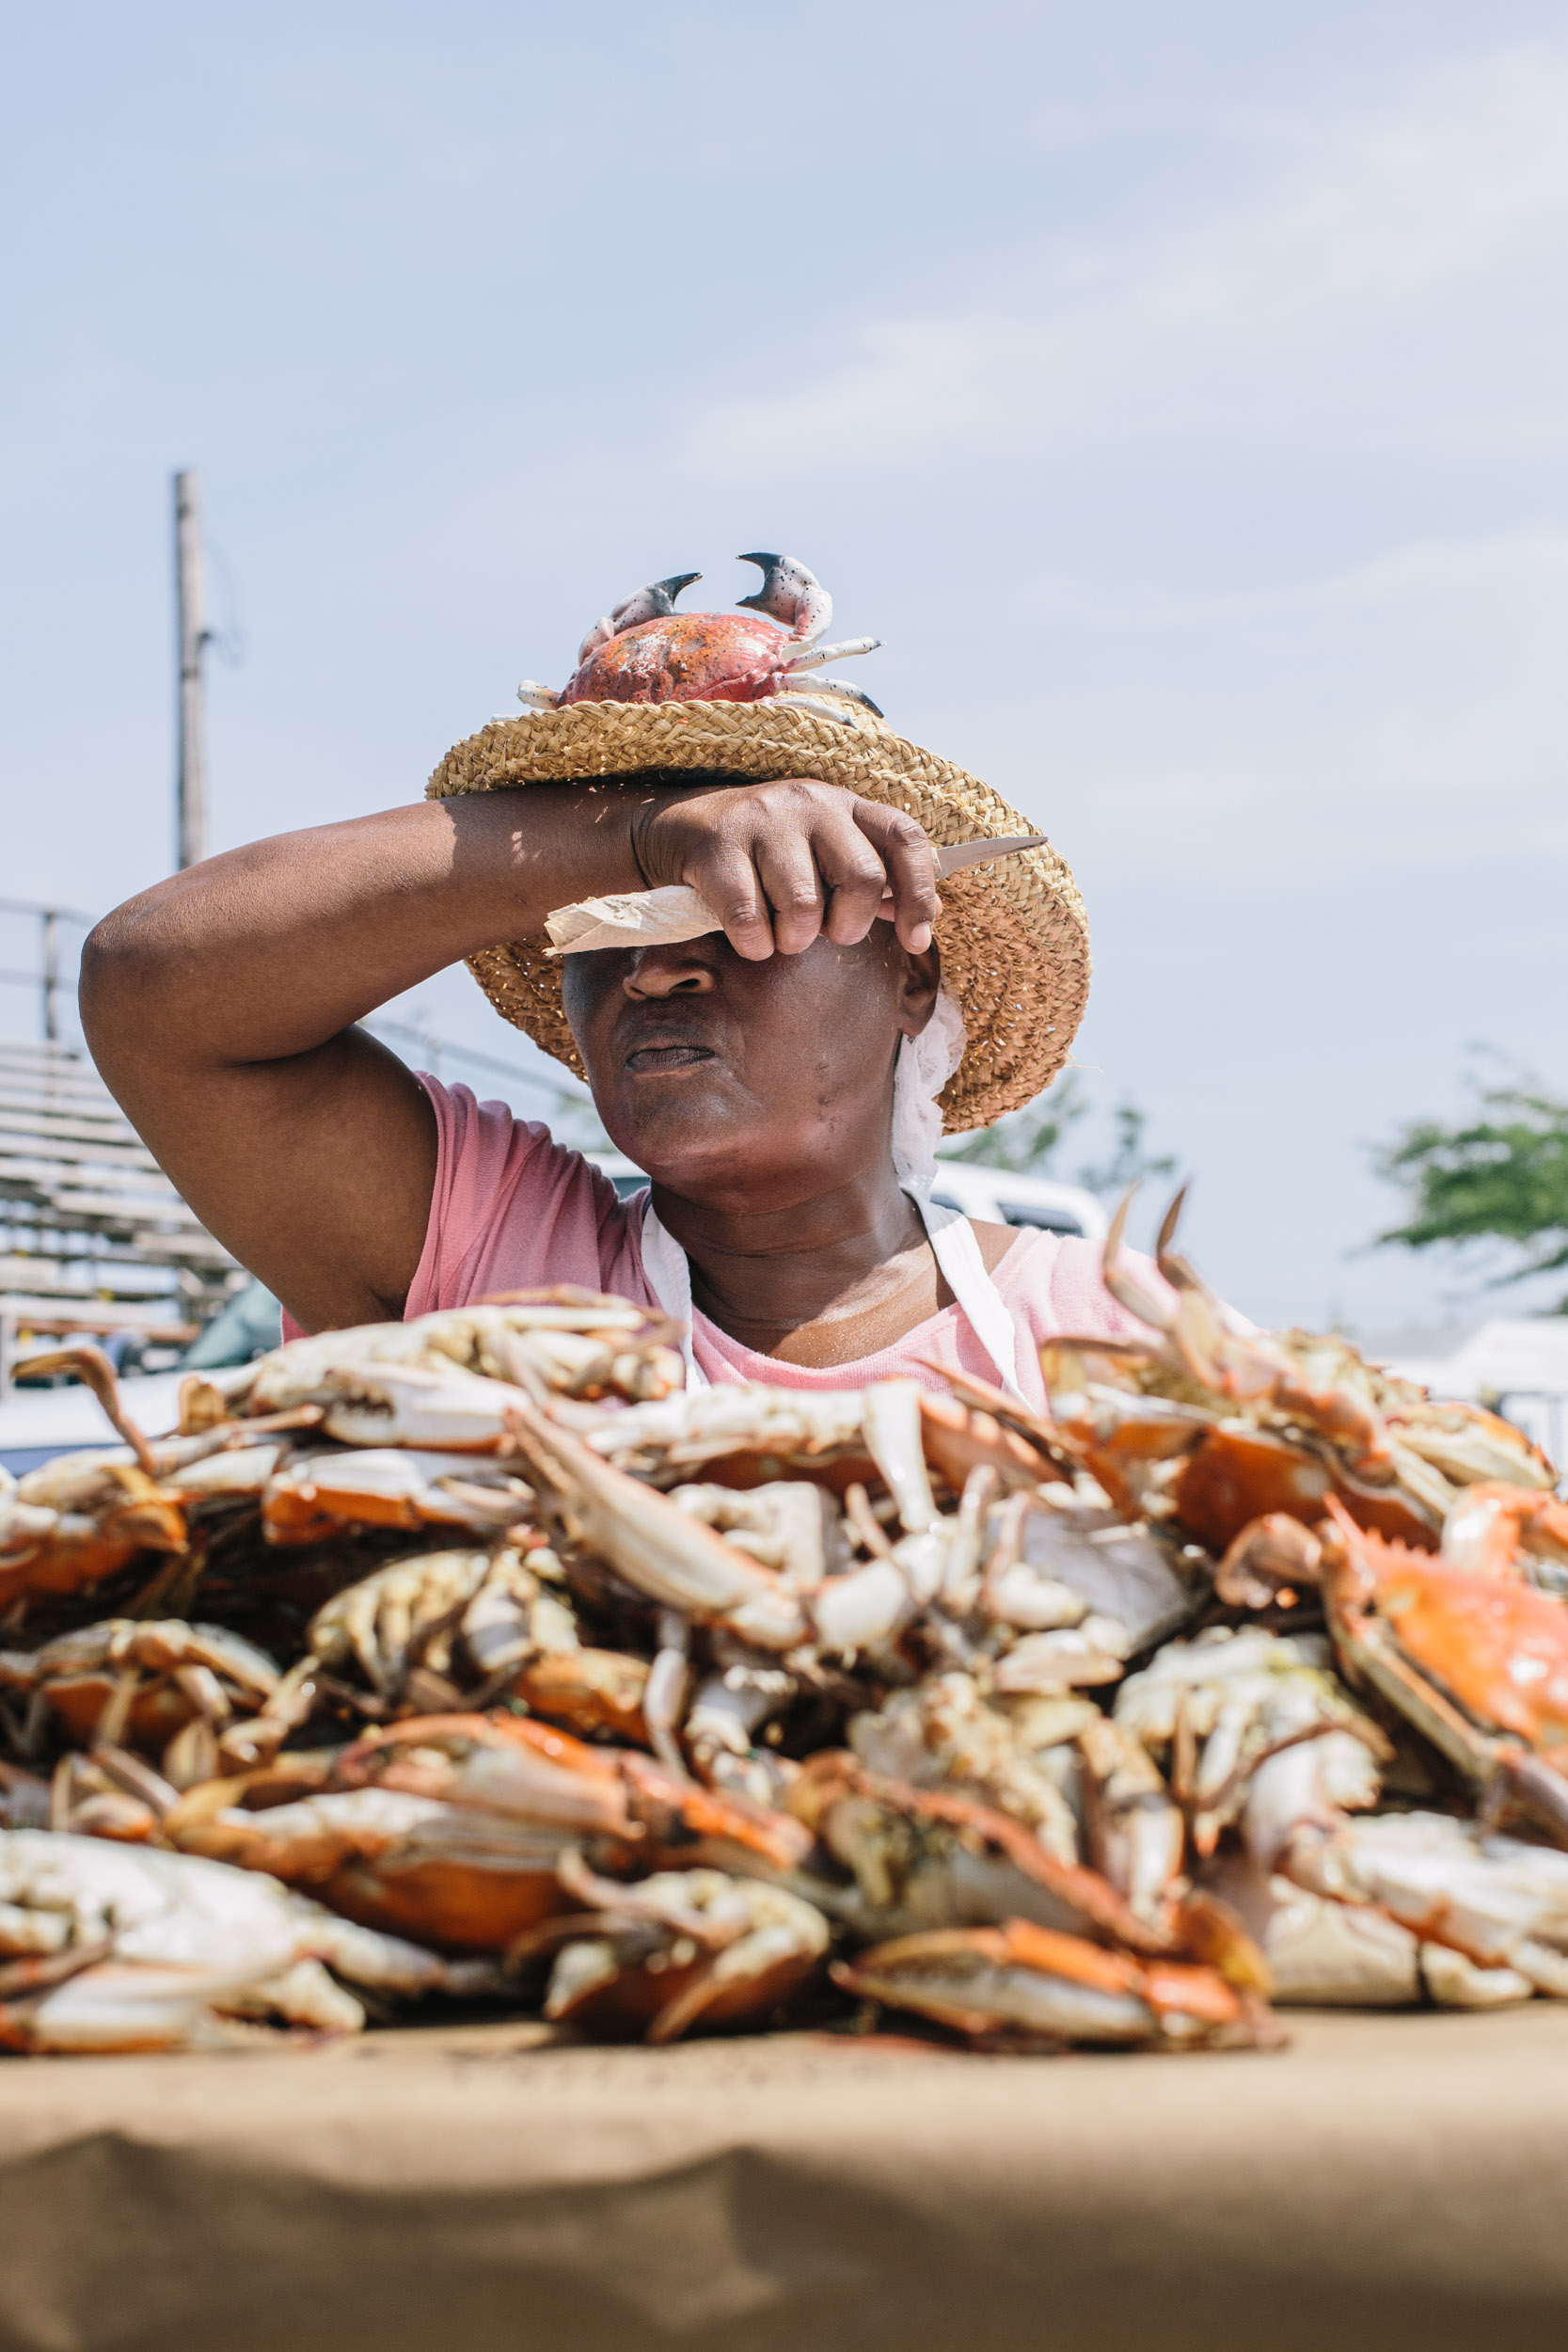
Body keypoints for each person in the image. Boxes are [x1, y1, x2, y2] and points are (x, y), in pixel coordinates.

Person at [81, 571, 1154, 1405]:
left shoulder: (1101, 1337)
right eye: (611, 921)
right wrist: (638, 839)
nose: (654, 965)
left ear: (909, 981)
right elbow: (152, 987)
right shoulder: (489, 1263)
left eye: (748, 906)